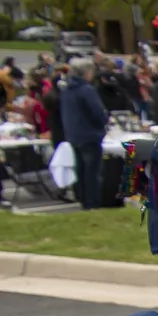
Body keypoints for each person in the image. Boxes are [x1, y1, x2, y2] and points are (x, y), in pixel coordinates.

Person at [59, 59, 109, 208]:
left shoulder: (66, 90)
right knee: (92, 173)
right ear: (87, 73)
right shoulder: (86, 90)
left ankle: (82, 200)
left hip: (73, 135)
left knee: (80, 171)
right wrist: (103, 122)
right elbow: (98, 112)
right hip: (90, 135)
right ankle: (92, 203)